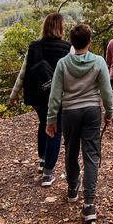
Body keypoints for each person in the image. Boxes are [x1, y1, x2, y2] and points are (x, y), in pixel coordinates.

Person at [46, 24, 113, 223]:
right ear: (89, 41)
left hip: (70, 112)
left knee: (71, 150)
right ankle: (89, 204)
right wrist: (109, 113)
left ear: (71, 42)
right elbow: (107, 92)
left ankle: (72, 188)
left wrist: (51, 120)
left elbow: (55, 95)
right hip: (92, 110)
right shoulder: (98, 61)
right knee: (91, 155)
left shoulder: (63, 64)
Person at [10, 13, 70, 187]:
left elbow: (23, 73)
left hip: (36, 96)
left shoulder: (34, 47)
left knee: (43, 123)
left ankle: (43, 159)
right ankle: (47, 174)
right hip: (57, 97)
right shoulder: (67, 48)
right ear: (60, 27)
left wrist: (14, 95)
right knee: (55, 129)